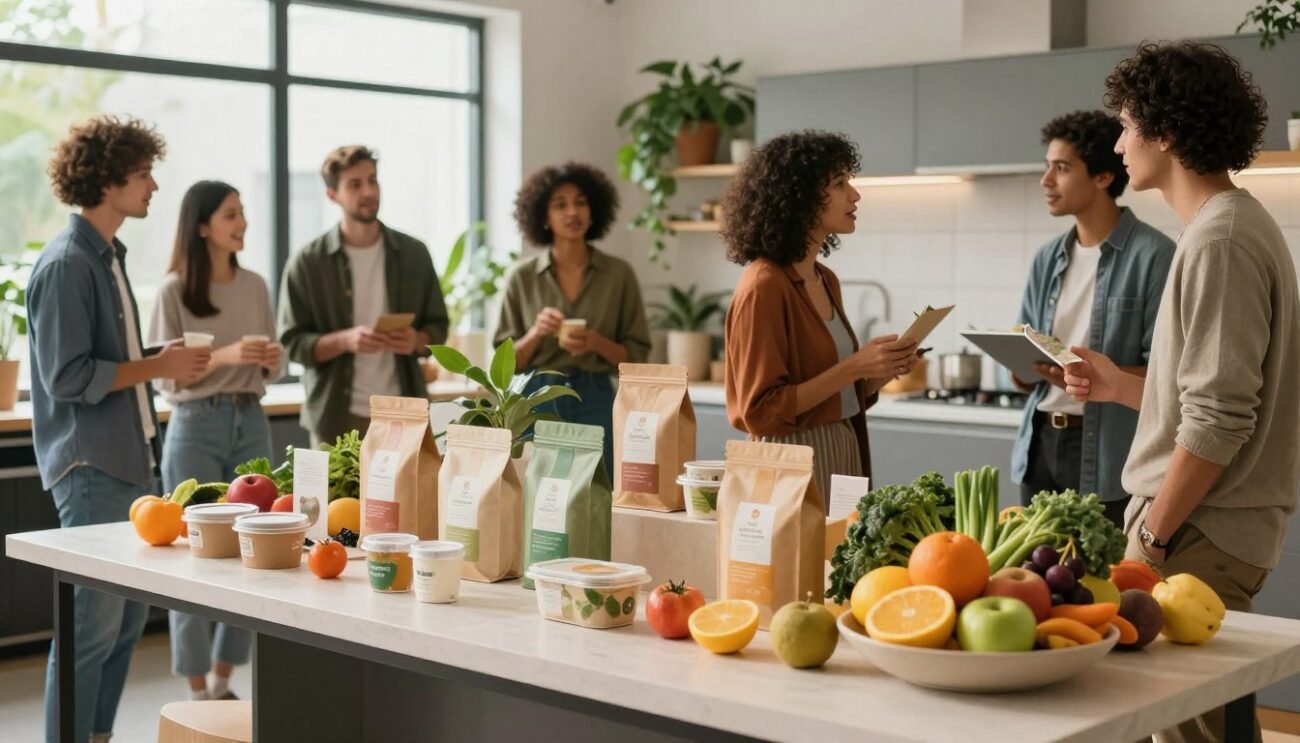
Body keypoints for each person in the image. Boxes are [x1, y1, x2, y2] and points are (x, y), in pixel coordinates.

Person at [1064, 41, 1299, 743]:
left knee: (1185, 732)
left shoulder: (1219, 239)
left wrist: (1155, 536)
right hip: (1209, 523)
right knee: (1208, 725)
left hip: (1200, 527)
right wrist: (1119, 383)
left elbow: (1220, 420)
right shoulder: (1224, 226)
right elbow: (1205, 399)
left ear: (1165, 134)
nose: (1117, 141)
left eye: (1127, 124)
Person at [28, 116, 210, 743]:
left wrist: (159, 353)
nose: (154, 185)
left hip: (130, 464)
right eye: (141, 174)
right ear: (107, 181)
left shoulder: (105, 257)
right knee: (89, 632)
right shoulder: (67, 265)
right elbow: (67, 376)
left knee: (124, 627)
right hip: (91, 469)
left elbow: (109, 356)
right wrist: (158, 365)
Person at [721, 130, 918, 501]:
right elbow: (760, 413)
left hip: (843, 451)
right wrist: (855, 367)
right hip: (790, 465)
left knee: (841, 558)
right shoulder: (764, 286)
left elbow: (833, 392)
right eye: (840, 183)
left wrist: (878, 372)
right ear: (801, 197)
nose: (855, 195)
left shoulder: (825, 279)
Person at [148, 181, 283, 702]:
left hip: (251, 418)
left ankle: (227, 678)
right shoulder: (172, 291)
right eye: (231, 214)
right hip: (195, 425)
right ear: (202, 225)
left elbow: (272, 367)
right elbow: (166, 380)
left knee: (257, 549)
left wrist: (268, 360)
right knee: (192, 556)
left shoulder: (255, 285)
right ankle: (197, 687)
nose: (242, 222)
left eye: (243, 212)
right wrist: (228, 356)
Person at [1011, 110, 1175, 525]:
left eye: (1062, 168)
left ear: (1103, 177)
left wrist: (1091, 374)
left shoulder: (1155, 256)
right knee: (1036, 581)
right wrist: (1022, 366)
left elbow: (1166, 372)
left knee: (1105, 585)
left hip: (1109, 453)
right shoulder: (1046, 258)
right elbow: (1024, 355)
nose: (1046, 180)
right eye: (1047, 167)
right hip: (1040, 445)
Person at [278, 145, 449, 446]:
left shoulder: (414, 254)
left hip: (403, 413)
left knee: (409, 495)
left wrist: (416, 340)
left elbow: (438, 327)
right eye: (355, 185)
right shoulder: (308, 262)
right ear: (332, 195)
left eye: (372, 180)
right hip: (335, 417)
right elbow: (292, 344)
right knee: (336, 496)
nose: (368, 191)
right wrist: (345, 340)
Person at [495, 162, 651, 470]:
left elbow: (637, 358)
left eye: (581, 202)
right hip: (535, 395)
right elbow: (504, 363)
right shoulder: (522, 277)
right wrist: (537, 333)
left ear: (594, 211)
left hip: (595, 396)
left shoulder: (619, 275)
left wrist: (596, 343)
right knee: (536, 492)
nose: (572, 212)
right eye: (560, 205)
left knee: (596, 488)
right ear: (543, 217)